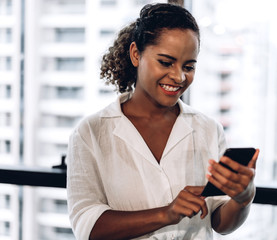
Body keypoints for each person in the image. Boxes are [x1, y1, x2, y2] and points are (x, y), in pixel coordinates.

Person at [66, 3, 260, 240]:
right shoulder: (91, 133)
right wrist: (166, 213)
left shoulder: (208, 130)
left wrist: (243, 199)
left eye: (188, 66)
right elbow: (87, 226)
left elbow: (221, 224)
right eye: (166, 62)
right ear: (136, 54)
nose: (179, 77)